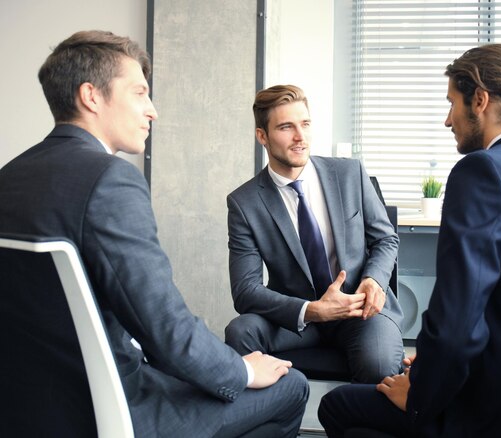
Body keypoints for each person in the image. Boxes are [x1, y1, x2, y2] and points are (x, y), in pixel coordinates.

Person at [0, 30, 308, 438]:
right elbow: (166, 329)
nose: (153, 111)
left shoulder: (10, 176)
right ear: (91, 96)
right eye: (140, 93)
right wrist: (241, 369)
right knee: (290, 386)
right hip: (112, 407)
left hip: (27, 404)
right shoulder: (110, 180)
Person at [318, 43, 501, 437]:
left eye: (452, 103)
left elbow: (457, 322)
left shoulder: (482, 172)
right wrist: (432, 361)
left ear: (481, 100)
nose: (447, 119)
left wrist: (420, 396)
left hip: (497, 409)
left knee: (337, 405)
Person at [225, 84, 404, 383]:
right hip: (298, 321)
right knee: (240, 331)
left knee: (377, 362)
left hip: (360, 310)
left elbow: (385, 239)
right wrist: (312, 311)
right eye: (286, 127)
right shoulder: (244, 204)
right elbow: (245, 291)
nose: (300, 137)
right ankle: (266, 421)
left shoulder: (349, 174)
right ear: (262, 136)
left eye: (305, 124)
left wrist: (373, 280)